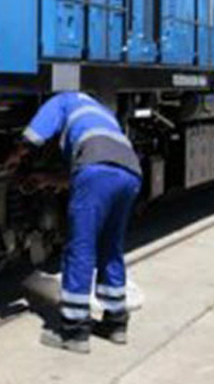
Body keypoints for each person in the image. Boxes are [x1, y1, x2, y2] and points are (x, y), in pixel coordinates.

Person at [8, 92, 143, 354]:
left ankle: (74, 330)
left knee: (80, 249)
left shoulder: (61, 100)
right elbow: (90, 172)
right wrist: (47, 179)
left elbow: (34, 136)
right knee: (110, 247)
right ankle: (116, 323)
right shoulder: (100, 111)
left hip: (95, 171)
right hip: (130, 173)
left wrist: (16, 154)